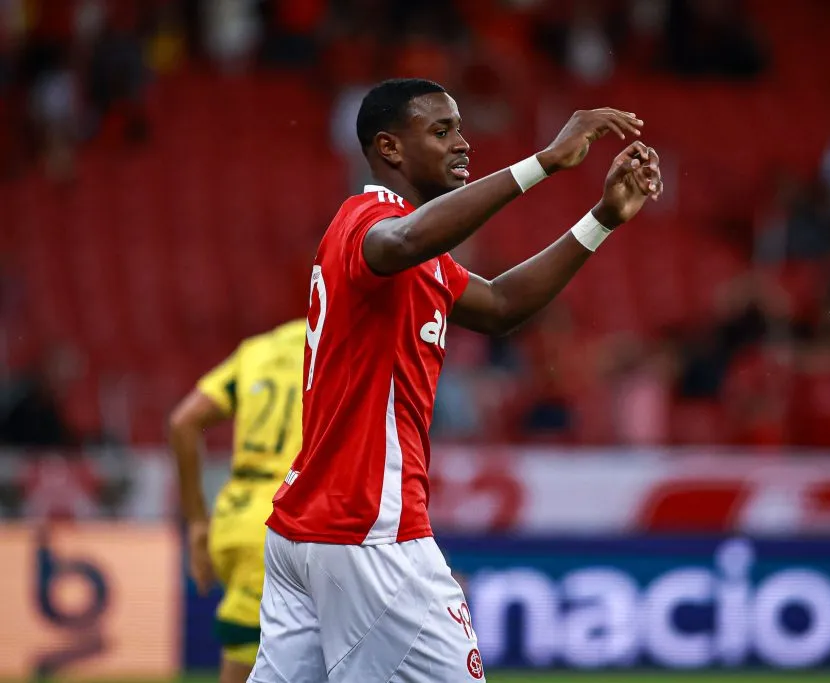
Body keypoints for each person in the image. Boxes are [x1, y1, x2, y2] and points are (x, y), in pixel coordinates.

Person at [250, 78, 663, 683]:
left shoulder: (415, 254)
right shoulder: (370, 220)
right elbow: (408, 237)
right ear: (389, 149)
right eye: (441, 131)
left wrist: (600, 219)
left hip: (306, 529)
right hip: (370, 529)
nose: (463, 144)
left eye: (461, 129)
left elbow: (498, 305)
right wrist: (545, 162)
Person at [168, 319, 306, 683]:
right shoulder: (338, 345)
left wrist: (198, 522)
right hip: (292, 516)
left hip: (237, 516)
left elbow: (184, 422)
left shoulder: (256, 350)